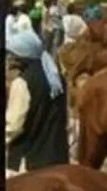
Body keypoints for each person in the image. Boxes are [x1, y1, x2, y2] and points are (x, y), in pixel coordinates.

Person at [5, 30, 69, 172]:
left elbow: (14, 125)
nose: (9, 58)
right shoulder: (57, 79)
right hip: (58, 156)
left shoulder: (22, 83)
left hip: (30, 159)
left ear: (21, 56)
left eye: (12, 54)